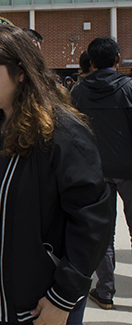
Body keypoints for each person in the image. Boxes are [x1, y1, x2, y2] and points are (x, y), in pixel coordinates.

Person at [0, 25, 111, 325]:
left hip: (40, 298)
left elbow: (94, 220)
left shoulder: (63, 132)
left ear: (21, 71)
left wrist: (63, 297)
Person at [71, 37, 132, 310]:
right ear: (118, 59)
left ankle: (105, 292)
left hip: (97, 172)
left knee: (104, 235)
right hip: (130, 170)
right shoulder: (129, 88)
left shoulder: (78, 93)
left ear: (91, 62)